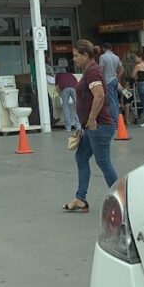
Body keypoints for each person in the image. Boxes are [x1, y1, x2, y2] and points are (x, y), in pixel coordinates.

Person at [62, 39, 117, 213]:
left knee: (103, 162)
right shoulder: (90, 71)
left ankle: (121, 198)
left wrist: (92, 119)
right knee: (81, 157)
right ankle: (80, 198)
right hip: (91, 127)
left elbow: (99, 95)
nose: (74, 59)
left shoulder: (92, 72)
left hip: (98, 126)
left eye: (76, 56)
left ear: (85, 55)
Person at [99, 42, 122, 121]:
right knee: (115, 101)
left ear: (103, 48)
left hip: (107, 81)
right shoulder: (116, 57)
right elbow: (122, 69)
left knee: (111, 101)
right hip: (115, 80)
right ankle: (118, 119)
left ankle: (115, 121)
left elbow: (101, 70)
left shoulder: (102, 57)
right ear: (111, 48)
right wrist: (117, 77)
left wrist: (100, 79)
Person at [54, 67, 80, 131]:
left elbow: (57, 86)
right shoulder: (70, 75)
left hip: (65, 89)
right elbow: (78, 84)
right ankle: (78, 125)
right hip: (74, 88)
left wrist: (60, 95)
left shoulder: (58, 75)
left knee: (65, 107)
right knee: (77, 106)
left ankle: (68, 127)